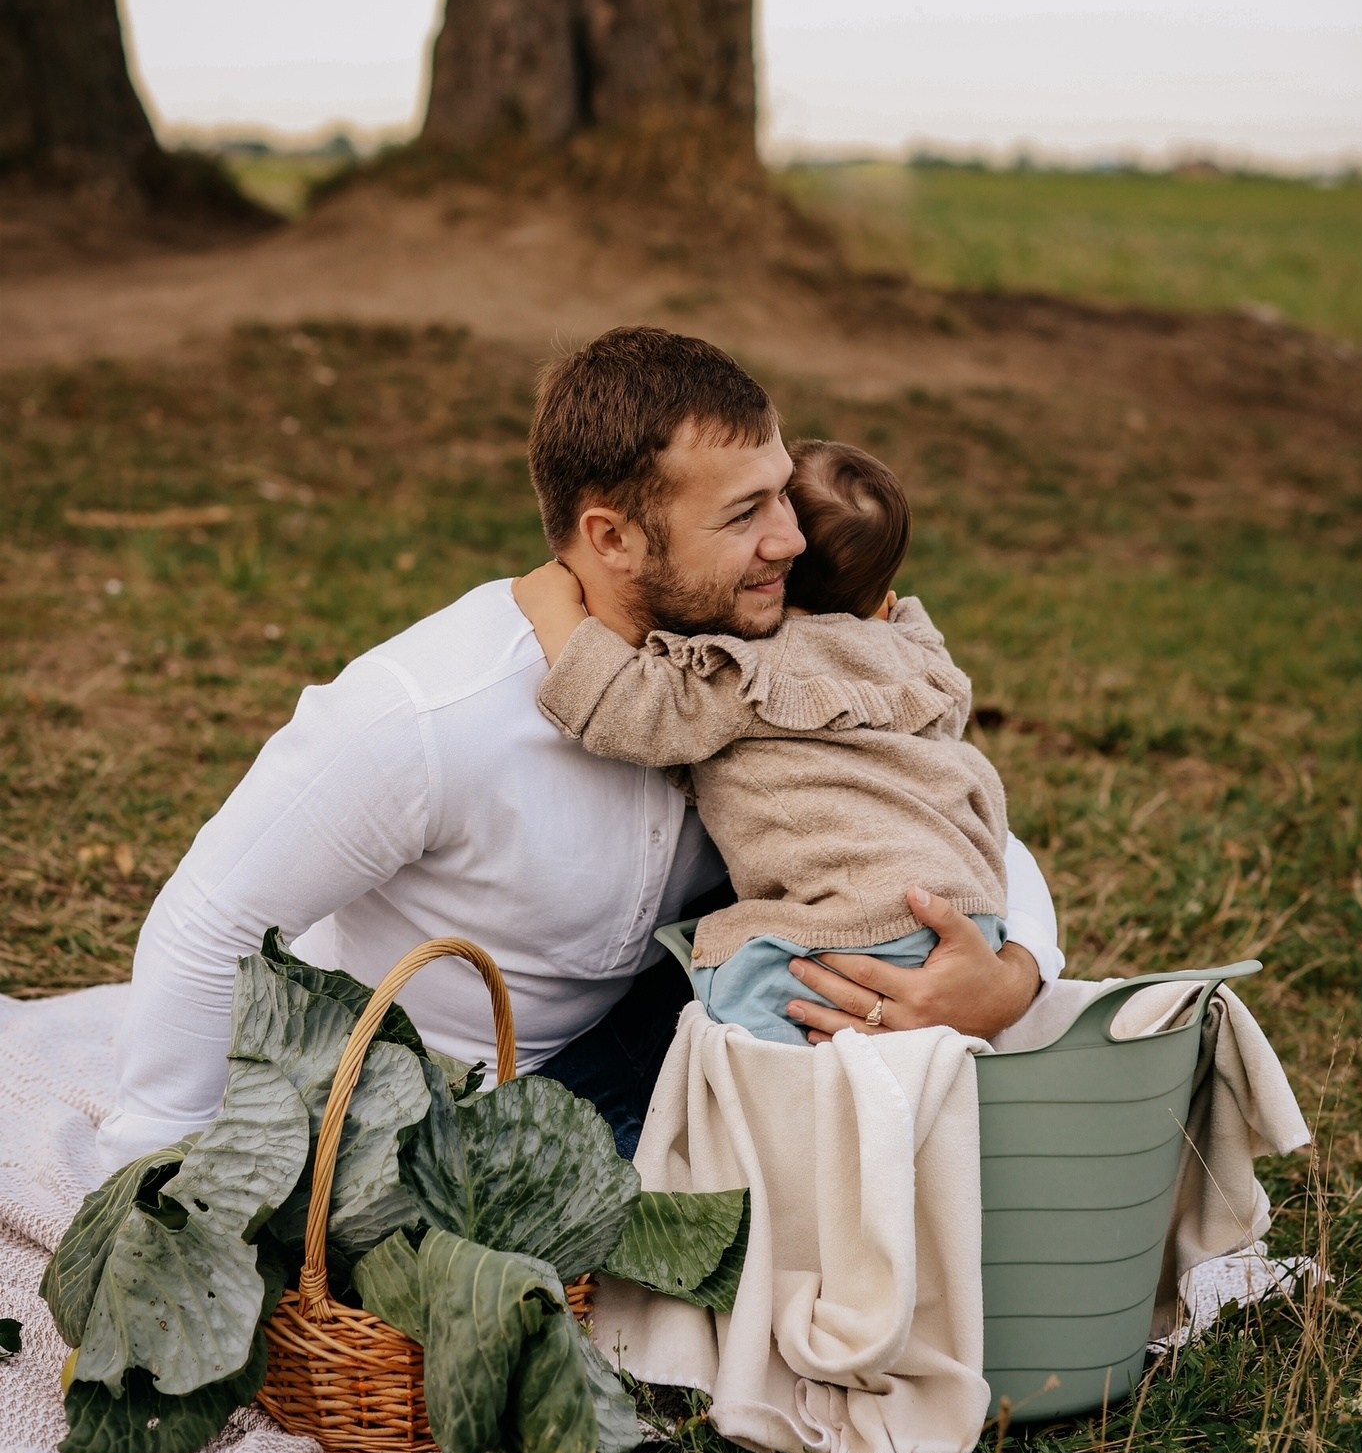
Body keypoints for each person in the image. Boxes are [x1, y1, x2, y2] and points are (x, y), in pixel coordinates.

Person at [98, 328, 1062, 1168]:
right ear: (613, 538)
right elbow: (208, 923)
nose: (792, 543)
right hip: (432, 1110)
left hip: (657, 1036)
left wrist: (1009, 978)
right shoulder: (430, 713)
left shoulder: (770, 660)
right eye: (744, 515)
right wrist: (157, 1196)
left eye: (784, 497)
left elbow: (934, 807)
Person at [516, 439, 1012, 1045]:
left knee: (726, 1001)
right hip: (974, 925)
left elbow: (625, 705)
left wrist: (552, 607)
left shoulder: (747, 672)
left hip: (853, 931)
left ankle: (762, 1125)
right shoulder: (919, 658)